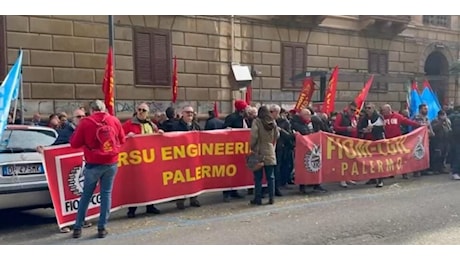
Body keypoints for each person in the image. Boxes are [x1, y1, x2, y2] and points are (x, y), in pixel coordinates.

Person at [69, 100, 126, 239]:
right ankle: (102, 227)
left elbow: (74, 143)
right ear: (104, 108)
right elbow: (122, 140)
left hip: (93, 163)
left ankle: (78, 227)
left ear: (92, 110)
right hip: (111, 162)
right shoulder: (114, 120)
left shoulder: (86, 122)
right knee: (106, 194)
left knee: (86, 195)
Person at [37, 109, 93, 233]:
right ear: (72, 119)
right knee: (65, 198)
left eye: (84, 116)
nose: (82, 118)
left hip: (81, 170)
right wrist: (45, 151)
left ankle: (82, 218)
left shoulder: (87, 130)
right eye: (79, 116)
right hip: (66, 172)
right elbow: (55, 147)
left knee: (81, 196)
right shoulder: (65, 133)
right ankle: (64, 223)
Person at [123, 103, 163, 218]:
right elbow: (119, 135)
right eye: (139, 109)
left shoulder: (151, 125)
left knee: (149, 183)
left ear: (147, 113)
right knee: (135, 185)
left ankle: (150, 206)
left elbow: (156, 137)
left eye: (143, 110)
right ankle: (132, 209)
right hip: (135, 161)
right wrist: (126, 136)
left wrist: (159, 133)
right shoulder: (129, 124)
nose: (141, 112)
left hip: (148, 161)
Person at [171, 105, 202, 209]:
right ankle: (180, 201)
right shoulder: (175, 126)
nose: (190, 114)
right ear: (182, 113)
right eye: (187, 112)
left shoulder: (196, 126)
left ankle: (194, 199)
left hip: (193, 158)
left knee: (194, 177)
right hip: (180, 158)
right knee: (181, 180)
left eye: (191, 113)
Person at [249, 105, 279, 205]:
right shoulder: (273, 122)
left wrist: (252, 146)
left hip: (258, 151)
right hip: (270, 150)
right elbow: (277, 135)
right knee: (271, 176)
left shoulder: (257, 121)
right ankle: (271, 198)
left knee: (258, 177)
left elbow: (254, 135)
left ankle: (258, 199)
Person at [358, 103, 385, 187]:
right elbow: (359, 128)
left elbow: (383, 128)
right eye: (366, 108)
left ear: (373, 109)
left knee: (378, 161)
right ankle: (372, 178)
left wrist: (372, 129)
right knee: (370, 161)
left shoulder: (379, 117)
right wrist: (363, 130)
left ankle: (380, 180)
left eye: (369, 108)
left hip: (377, 141)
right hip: (367, 142)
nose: (367, 109)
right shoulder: (364, 118)